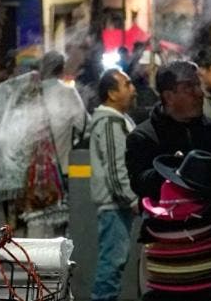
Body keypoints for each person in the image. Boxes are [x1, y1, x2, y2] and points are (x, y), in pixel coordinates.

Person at [125, 61, 211, 285]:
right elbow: (140, 184)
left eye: (199, 86)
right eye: (190, 88)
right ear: (168, 95)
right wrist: (177, 169)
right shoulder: (143, 137)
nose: (200, 94)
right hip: (165, 251)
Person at [89, 68, 137, 301]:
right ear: (112, 93)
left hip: (118, 204)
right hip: (114, 205)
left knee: (115, 263)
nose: (133, 89)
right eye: (127, 85)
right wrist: (132, 199)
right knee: (112, 264)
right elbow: (116, 168)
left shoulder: (119, 120)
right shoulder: (109, 123)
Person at [39, 51, 87, 176]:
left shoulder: (32, 93)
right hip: (64, 168)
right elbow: (82, 125)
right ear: (62, 68)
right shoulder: (68, 92)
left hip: (37, 174)